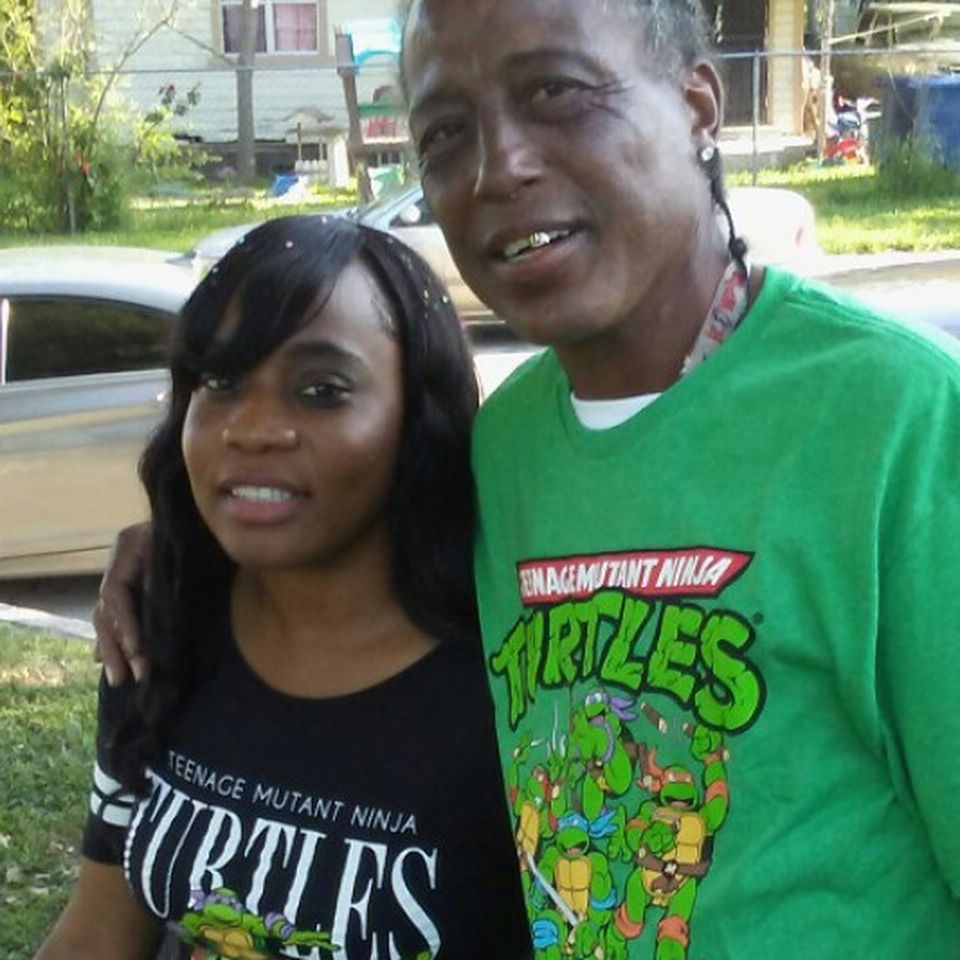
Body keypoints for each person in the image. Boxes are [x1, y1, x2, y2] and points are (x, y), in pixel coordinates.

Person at [96, 0, 960, 956]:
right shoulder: (505, 444)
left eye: (556, 90)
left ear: (697, 107)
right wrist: (170, 550)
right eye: (445, 132)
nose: (497, 168)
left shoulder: (900, 421)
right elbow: (345, 533)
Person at [36, 215, 531, 960]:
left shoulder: (514, 682)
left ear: (417, 418)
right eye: (220, 382)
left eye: (322, 390)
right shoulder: (160, 624)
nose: (251, 429)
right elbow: (99, 936)